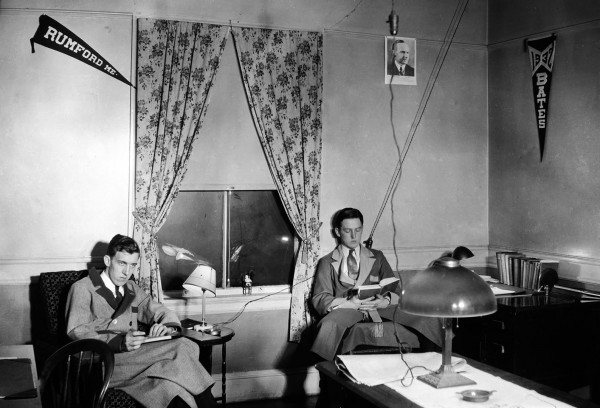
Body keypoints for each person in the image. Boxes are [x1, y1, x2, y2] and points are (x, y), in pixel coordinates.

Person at [66, 234, 217, 408]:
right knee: (183, 346)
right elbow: (77, 331)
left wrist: (166, 327)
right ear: (108, 260)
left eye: (132, 265)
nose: (126, 272)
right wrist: (119, 342)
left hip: (134, 363)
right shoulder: (82, 288)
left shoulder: (131, 288)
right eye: (122, 263)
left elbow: (157, 310)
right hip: (101, 364)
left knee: (171, 389)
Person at [310, 208, 442, 361]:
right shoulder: (326, 262)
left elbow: (394, 289)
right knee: (328, 326)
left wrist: (384, 301)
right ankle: (328, 378)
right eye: (347, 231)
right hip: (349, 309)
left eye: (358, 230)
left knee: (429, 318)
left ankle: (435, 364)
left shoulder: (377, 256)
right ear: (338, 232)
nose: (354, 236)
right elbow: (320, 297)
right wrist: (348, 303)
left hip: (381, 308)